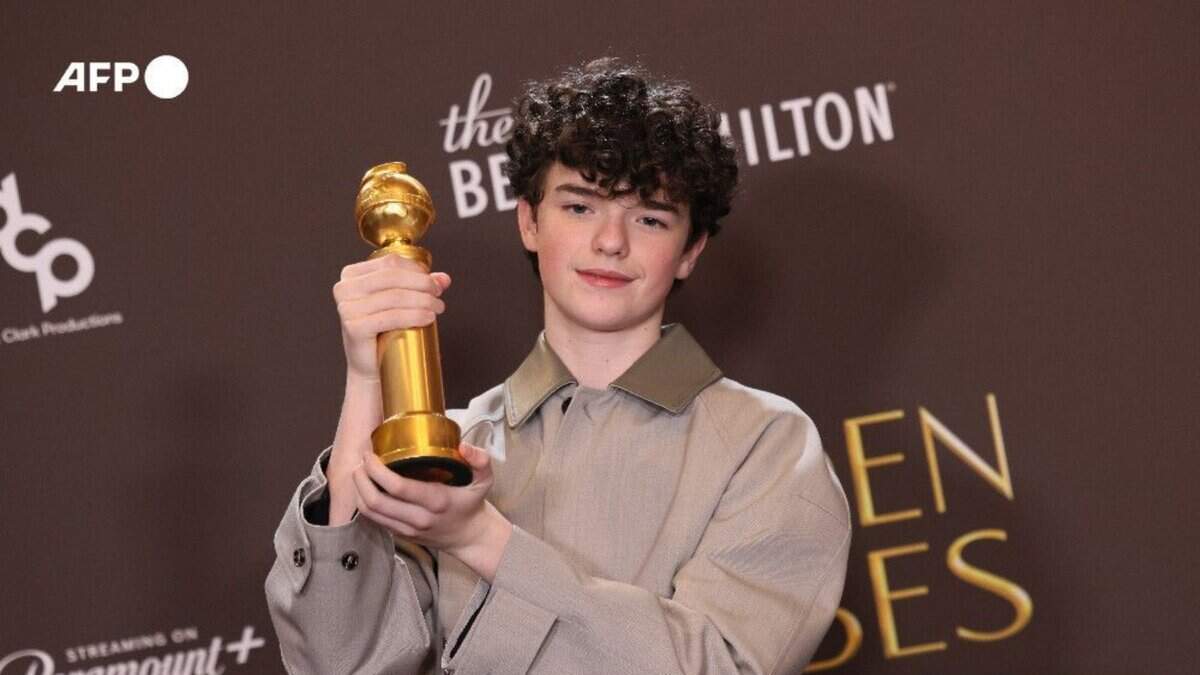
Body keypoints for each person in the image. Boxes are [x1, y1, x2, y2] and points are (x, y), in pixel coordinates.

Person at [265, 57, 851, 674]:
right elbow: (338, 662)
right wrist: (367, 378)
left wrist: (481, 539)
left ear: (690, 250)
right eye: (580, 207)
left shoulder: (765, 443)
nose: (611, 241)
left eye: (649, 218)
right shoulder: (454, 446)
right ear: (529, 220)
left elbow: (721, 666)